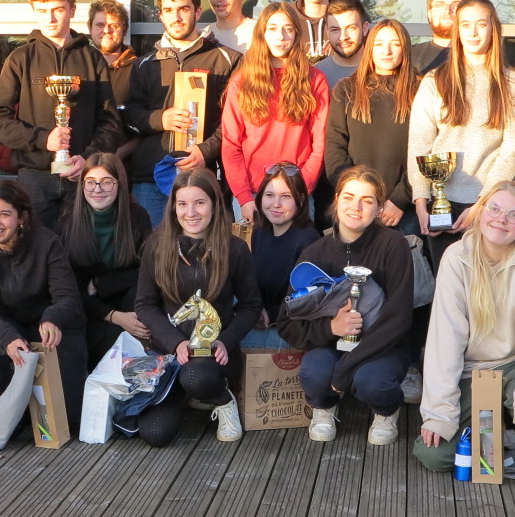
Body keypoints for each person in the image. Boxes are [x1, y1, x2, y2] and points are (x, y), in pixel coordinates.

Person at [414, 179, 515, 478]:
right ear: (480, 210)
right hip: (473, 372)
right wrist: (440, 413)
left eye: (513, 214)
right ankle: (509, 437)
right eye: (494, 208)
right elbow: (444, 340)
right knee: (433, 455)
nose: (501, 218)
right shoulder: (455, 258)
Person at [279, 167, 414, 446]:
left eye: (367, 200)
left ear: (378, 208)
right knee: (313, 372)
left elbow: (399, 319)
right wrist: (331, 327)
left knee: (372, 381)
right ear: (336, 199)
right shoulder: (315, 253)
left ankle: (386, 411)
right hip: (332, 344)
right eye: (349, 197)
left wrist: (346, 368)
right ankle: (323, 407)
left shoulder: (394, 246)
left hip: (383, 346)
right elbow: (287, 321)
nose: (356, 207)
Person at [132, 168, 259, 447]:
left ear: (214, 203)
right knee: (155, 434)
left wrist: (226, 341)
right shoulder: (156, 246)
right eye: (182, 203)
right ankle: (187, 396)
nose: (191, 212)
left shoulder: (234, 249)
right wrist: (175, 342)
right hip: (169, 354)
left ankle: (222, 401)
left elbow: (251, 306)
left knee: (197, 377)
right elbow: (145, 304)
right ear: (173, 207)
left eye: (199, 202)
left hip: (214, 355)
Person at [0, 0, 123, 231]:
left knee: (81, 252)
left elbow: (110, 122)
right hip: (34, 176)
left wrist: (89, 157)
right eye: (42, 11)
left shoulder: (92, 59)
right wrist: (42, 140)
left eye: (58, 9)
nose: (50, 18)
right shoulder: (20, 58)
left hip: (83, 175)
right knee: (35, 253)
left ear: (72, 9)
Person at [407, 0, 515, 262]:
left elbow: (512, 150)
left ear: (493, 28)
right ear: (457, 30)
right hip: (439, 204)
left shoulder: (514, 85)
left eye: (481, 24)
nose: (473, 32)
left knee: (484, 292)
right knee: (447, 293)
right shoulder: (434, 81)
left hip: (491, 207)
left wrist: (483, 204)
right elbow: (419, 143)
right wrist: (420, 201)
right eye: (465, 24)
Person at [0, 178, 87, 432]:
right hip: (11, 329)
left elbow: (68, 297)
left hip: (51, 331)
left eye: (4, 214)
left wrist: (52, 318)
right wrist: (7, 336)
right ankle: (4, 397)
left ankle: (33, 409)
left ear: (22, 218)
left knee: (67, 421)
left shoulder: (47, 242)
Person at [122, 0, 238, 226]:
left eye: (183, 9)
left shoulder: (227, 60)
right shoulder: (143, 64)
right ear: (161, 16)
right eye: (168, 10)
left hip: (203, 176)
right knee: (154, 254)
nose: (176, 17)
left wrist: (205, 151)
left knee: (204, 255)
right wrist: (159, 119)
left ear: (197, 11)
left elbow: (234, 122)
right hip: (150, 179)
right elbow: (129, 114)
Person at [221, 1, 331, 224]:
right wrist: (243, 197)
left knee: (296, 258)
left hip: (296, 196)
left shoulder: (315, 80)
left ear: (296, 34)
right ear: (262, 33)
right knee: (250, 258)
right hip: (251, 196)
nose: (281, 36)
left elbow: (320, 144)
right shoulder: (241, 81)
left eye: (288, 29)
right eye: (272, 28)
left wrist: (301, 190)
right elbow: (231, 144)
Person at [325, 17, 417, 234]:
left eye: (395, 44)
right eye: (379, 44)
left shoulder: (421, 90)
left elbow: (426, 151)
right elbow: (335, 148)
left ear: (405, 48)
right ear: (369, 48)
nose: (387, 51)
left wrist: (399, 199)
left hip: (402, 209)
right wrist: (357, 197)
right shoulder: (346, 90)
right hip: (355, 207)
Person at [58, 152, 152, 363]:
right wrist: (113, 316)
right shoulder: (68, 220)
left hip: (129, 305)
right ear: (82, 186)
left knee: (141, 294)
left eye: (106, 182)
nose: (97, 189)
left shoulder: (136, 216)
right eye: (90, 182)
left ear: (119, 184)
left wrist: (101, 283)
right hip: (87, 310)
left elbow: (148, 271)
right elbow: (68, 287)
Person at [243, 162, 319, 348]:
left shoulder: (308, 240)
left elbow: (307, 302)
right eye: (269, 195)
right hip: (262, 316)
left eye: (286, 196)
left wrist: (267, 313)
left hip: (289, 326)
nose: (276, 204)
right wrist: (256, 308)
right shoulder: (260, 230)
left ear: (300, 199)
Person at [88, 0, 137, 114]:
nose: (106, 30)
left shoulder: (139, 70)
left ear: (124, 30)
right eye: (100, 25)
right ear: (90, 28)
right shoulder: (80, 66)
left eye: (114, 26)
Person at [410, 0, 471, 73]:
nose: (447, 10)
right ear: (429, 14)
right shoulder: (409, 56)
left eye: (456, 5)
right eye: (440, 5)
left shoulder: (484, 56)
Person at [317, 0, 368, 91]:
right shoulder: (314, 76)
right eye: (335, 30)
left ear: (364, 28)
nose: (343, 37)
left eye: (351, 28)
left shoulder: (382, 71)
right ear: (327, 32)